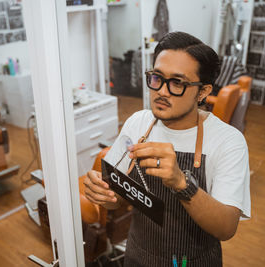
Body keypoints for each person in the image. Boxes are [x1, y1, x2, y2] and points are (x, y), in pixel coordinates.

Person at [83, 31, 250, 267]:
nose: (162, 91)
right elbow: (117, 199)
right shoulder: (138, 123)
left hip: (192, 262)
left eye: (177, 83)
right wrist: (103, 194)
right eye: (157, 78)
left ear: (202, 92)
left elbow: (226, 227)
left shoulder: (228, 141)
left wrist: (182, 183)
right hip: (138, 255)